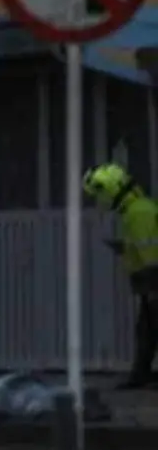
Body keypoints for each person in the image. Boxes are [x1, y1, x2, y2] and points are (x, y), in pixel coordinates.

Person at [83, 162, 158, 389]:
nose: (100, 201)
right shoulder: (135, 211)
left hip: (153, 282)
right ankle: (140, 375)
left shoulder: (139, 212)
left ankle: (141, 375)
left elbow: (151, 254)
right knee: (146, 330)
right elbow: (143, 247)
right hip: (149, 283)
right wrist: (124, 247)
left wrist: (154, 289)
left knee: (149, 328)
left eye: (101, 195)